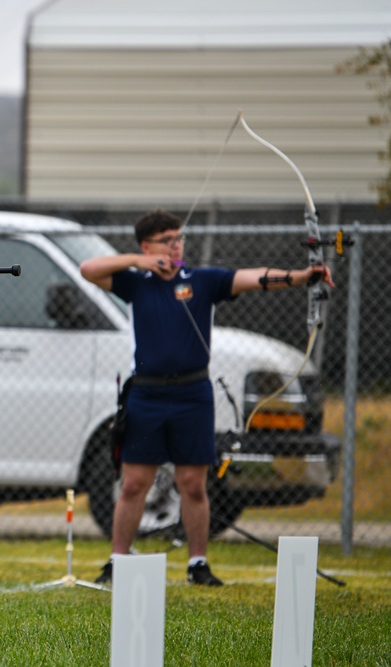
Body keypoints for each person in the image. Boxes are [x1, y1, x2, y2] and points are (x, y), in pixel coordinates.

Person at [79, 209, 333, 586]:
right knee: (134, 483)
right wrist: (138, 262)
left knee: (193, 483)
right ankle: (118, 559)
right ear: (148, 246)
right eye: (167, 240)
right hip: (147, 394)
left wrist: (300, 277)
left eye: (179, 238)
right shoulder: (135, 283)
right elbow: (88, 268)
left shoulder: (202, 281)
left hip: (191, 394)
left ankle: (198, 563)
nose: (176, 245)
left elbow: (252, 278)